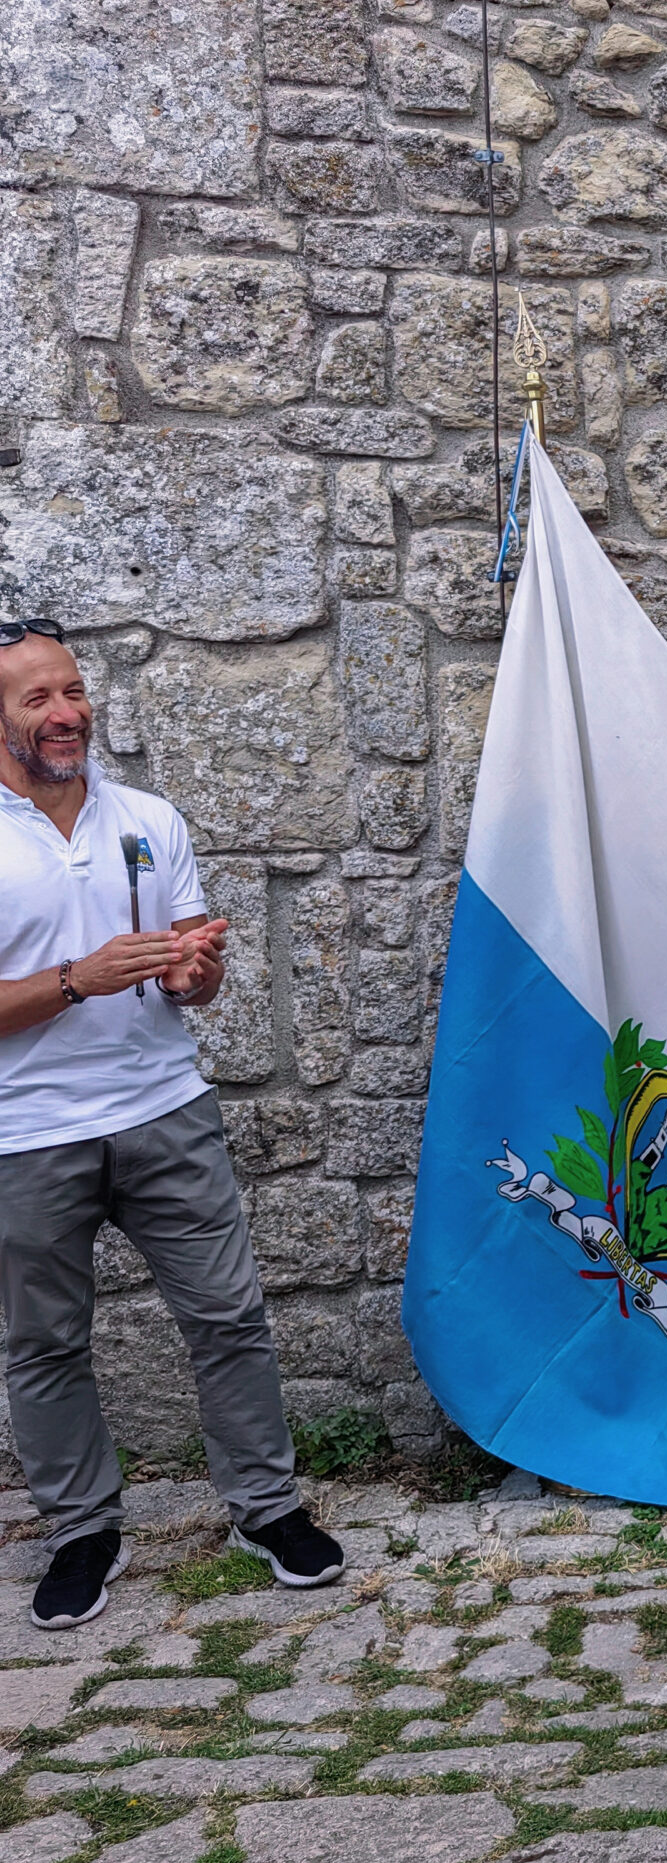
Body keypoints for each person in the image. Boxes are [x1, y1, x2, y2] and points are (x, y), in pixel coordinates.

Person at [0, 620, 345, 1630]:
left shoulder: (149, 818)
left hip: (166, 1112)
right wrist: (78, 979)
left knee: (230, 1318)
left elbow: (192, 975)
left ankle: (267, 1509)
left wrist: (196, 974)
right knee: (44, 1343)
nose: (66, 714)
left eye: (73, 691)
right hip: (26, 1134)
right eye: (37, 699)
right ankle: (82, 1533)